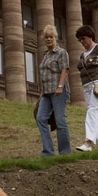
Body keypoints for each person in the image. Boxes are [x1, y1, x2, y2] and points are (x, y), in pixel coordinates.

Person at [35, 24, 71, 156]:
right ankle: (48, 151)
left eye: (51, 37)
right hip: (46, 93)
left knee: (60, 121)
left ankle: (65, 152)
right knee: (40, 119)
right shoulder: (46, 55)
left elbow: (64, 70)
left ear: (55, 37)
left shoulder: (61, 52)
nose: (48, 39)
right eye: (46, 37)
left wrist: (60, 86)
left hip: (58, 91)